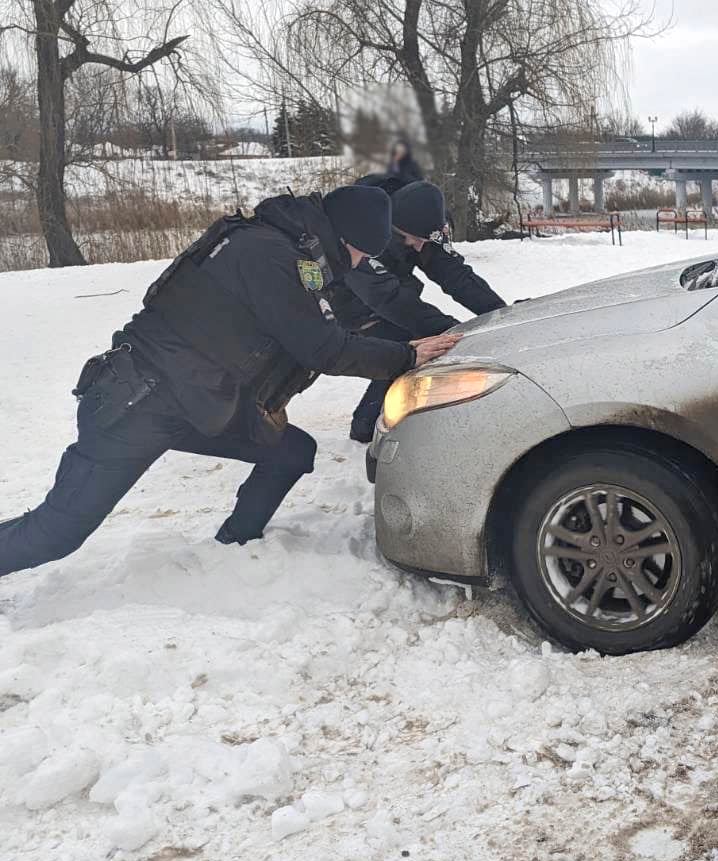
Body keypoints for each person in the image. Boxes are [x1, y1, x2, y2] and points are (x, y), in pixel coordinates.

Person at [0, 186, 461, 578]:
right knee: (56, 533)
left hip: (195, 403)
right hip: (135, 406)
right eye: (363, 252)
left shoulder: (285, 248)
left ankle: (234, 548)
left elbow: (319, 329)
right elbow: (323, 347)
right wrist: (406, 355)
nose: (361, 263)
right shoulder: (270, 255)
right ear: (346, 238)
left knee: (292, 451)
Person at [333, 177, 508, 442]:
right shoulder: (363, 227)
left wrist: (499, 314)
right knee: (406, 348)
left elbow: (454, 274)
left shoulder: (426, 220)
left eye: (424, 240)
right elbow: (386, 298)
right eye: (411, 240)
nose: (418, 246)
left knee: (417, 341)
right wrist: (452, 331)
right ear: (391, 229)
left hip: (391, 288)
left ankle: (374, 419)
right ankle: (365, 426)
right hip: (346, 301)